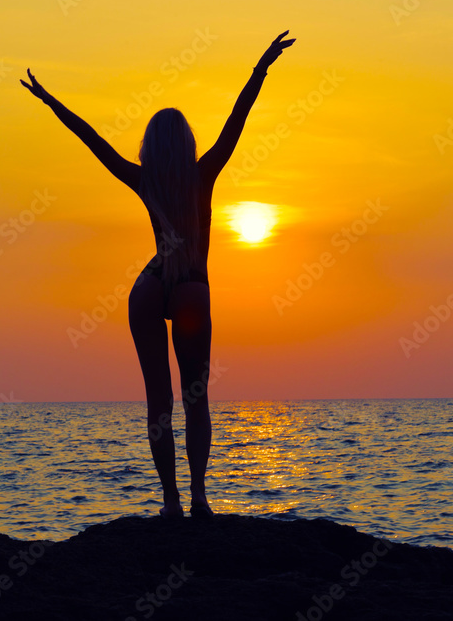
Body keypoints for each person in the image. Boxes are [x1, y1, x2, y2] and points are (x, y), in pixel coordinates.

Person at [21, 30, 296, 519]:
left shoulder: (143, 177)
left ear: (150, 145)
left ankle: (169, 502)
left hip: (148, 288)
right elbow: (239, 117)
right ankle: (198, 498)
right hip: (190, 287)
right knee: (196, 399)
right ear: (187, 143)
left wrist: (48, 100)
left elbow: (93, 141)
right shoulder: (203, 172)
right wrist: (263, 65)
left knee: (158, 402)